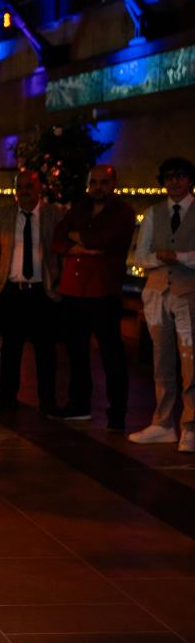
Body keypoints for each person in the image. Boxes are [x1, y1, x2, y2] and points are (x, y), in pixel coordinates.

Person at [51, 164, 136, 428]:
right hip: (74, 290)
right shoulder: (80, 207)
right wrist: (82, 246)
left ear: (113, 184)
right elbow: (57, 238)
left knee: (112, 354)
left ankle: (117, 412)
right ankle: (79, 405)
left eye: (104, 182)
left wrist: (78, 240)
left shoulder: (122, 211)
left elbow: (105, 238)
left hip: (103, 290)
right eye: (94, 182)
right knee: (76, 353)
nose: (98, 187)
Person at [129, 157, 195, 452]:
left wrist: (180, 257)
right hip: (157, 293)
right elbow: (140, 255)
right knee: (161, 360)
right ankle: (163, 422)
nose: (175, 181)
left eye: (180, 176)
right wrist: (159, 258)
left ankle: (190, 427)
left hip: (187, 293)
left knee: (190, 361)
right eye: (169, 177)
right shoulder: (153, 213)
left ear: (190, 179)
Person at [0, 169, 63, 413]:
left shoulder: (54, 215)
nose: (24, 193)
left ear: (39, 188)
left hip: (43, 291)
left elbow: (61, 252)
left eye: (29, 187)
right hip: (12, 292)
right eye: (19, 188)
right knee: (11, 348)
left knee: (45, 350)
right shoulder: (6, 215)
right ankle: (7, 396)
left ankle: (47, 400)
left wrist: (58, 286)